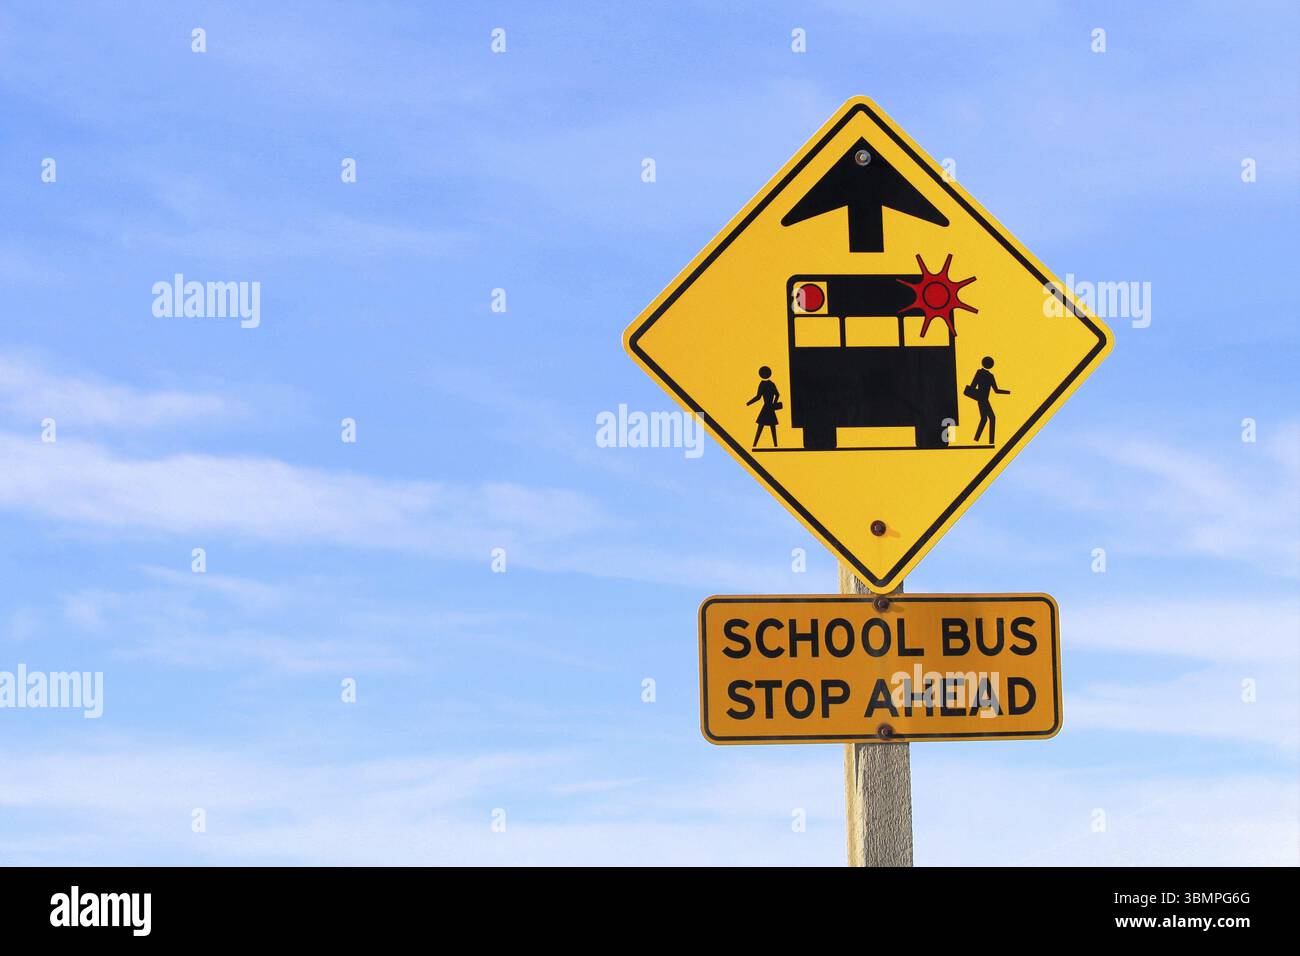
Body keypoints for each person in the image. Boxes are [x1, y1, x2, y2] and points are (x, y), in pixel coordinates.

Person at [966, 356, 1010, 446]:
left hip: (983, 399)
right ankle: (989, 441)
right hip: (983, 399)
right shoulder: (989, 375)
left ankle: (978, 439)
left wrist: (1008, 392)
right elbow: (996, 390)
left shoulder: (983, 374)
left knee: (984, 419)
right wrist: (1008, 392)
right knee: (990, 418)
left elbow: (973, 386)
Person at [747, 366, 781, 448]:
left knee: (761, 426)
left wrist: (748, 403)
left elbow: (758, 397)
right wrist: (774, 403)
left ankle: (755, 444)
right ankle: (775, 445)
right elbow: (777, 394)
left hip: (766, 407)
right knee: (772, 427)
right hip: (770, 407)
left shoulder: (762, 384)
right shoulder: (772, 384)